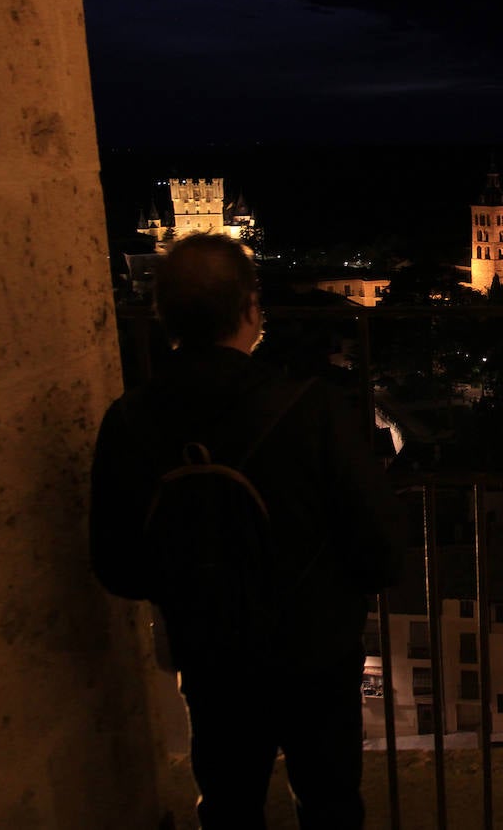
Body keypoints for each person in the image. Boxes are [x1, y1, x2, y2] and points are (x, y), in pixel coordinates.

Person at [90, 233, 406, 829]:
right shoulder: (312, 410)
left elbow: (116, 565)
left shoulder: (127, 421)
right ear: (251, 311)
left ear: (163, 315)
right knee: (330, 800)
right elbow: (382, 549)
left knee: (228, 802)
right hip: (314, 647)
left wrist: (195, 581)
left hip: (210, 651)